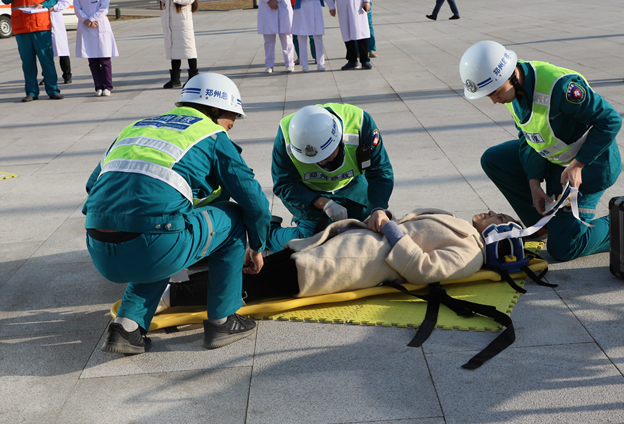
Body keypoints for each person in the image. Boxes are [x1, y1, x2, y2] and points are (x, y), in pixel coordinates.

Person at [83, 73, 272, 355]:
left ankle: (127, 326)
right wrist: (257, 246)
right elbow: (254, 203)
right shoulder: (211, 134)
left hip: (99, 248)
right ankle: (223, 319)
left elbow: (92, 186)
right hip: (153, 247)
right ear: (215, 110)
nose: (231, 126)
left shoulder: (136, 127)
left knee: (161, 226)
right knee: (231, 216)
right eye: (231, 117)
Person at [156, 209, 517, 311]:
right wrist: (383, 216)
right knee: (255, 268)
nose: (490, 212)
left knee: (252, 286)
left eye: (498, 217)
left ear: (499, 235)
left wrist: (390, 228)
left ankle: (170, 298)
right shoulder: (463, 228)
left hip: (346, 263)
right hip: (339, 243)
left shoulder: (471, 253)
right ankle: (175, 287)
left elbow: (423, 270)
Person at [459, 40, 622, 261]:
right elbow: (527, 137)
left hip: (590, 167)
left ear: (511, 76)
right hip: (557, 159)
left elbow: (610, 120)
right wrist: (534, 183)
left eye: (495, 93)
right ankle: (542, 226)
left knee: (564, 248)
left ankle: (618, 223)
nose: (494, 101)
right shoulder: (513, 90)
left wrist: (579, 165)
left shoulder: (560, 87)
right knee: (494, 159)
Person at [268, 103, 394, 253]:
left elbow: (381, 170)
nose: (320, 162)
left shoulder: (360, 123)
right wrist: (324, 203)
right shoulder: (286, 136)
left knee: (368, 233)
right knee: (312, 244)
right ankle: (269, 234)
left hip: (350, 185)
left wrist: (378, 209)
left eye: (325, 155)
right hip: (309, 194)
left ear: (339, 140)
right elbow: (284, 184)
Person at [2, 0, 63, 102]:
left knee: (47, 61)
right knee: (27, 62)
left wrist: (44, 5)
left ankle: (53, 90)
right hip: (22, 26)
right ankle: (31, 92)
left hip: (41, 25)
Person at [74, 0, 118, 97]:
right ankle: (98, 86)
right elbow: (77, 8)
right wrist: (85, 20)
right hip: (85, 25)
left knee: (105, 60)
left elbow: (104, 8)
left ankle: (107, 86)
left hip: (100, 23)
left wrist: (92, 19)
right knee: (93, 60)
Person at [160, 0, 198, 89]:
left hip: (183, 23)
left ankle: (193, 77)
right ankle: (175, 79)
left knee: (189, 48)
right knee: (174, 49)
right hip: (171, 23)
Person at [326, 0, 371, 70]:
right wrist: (331, 6)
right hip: (343, 6)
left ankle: (365, 60)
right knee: (347, 33)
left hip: (357, 5)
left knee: (361, 32)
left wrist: (366, 1)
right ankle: (352, 61)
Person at [291, 0, 332, 72]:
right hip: (302, 5)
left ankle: (320, 63)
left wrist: (331, 6)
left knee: (318, 35)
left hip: (315, 4)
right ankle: (304, 64)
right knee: (302, 36)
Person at [257, 0, 295, 74]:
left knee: (286, 38)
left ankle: (289, 64)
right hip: (266, 6)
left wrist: (276, 0)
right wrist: (268, 1)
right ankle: (269, 65)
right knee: (268, 40)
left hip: (283, 4)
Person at [39, 0, 71, 85]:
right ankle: (47, 76)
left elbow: (65, 3)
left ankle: (67, 75)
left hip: (56, 20)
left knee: (62, 51)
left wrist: (54, 7)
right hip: (42, 20)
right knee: (46, 53)